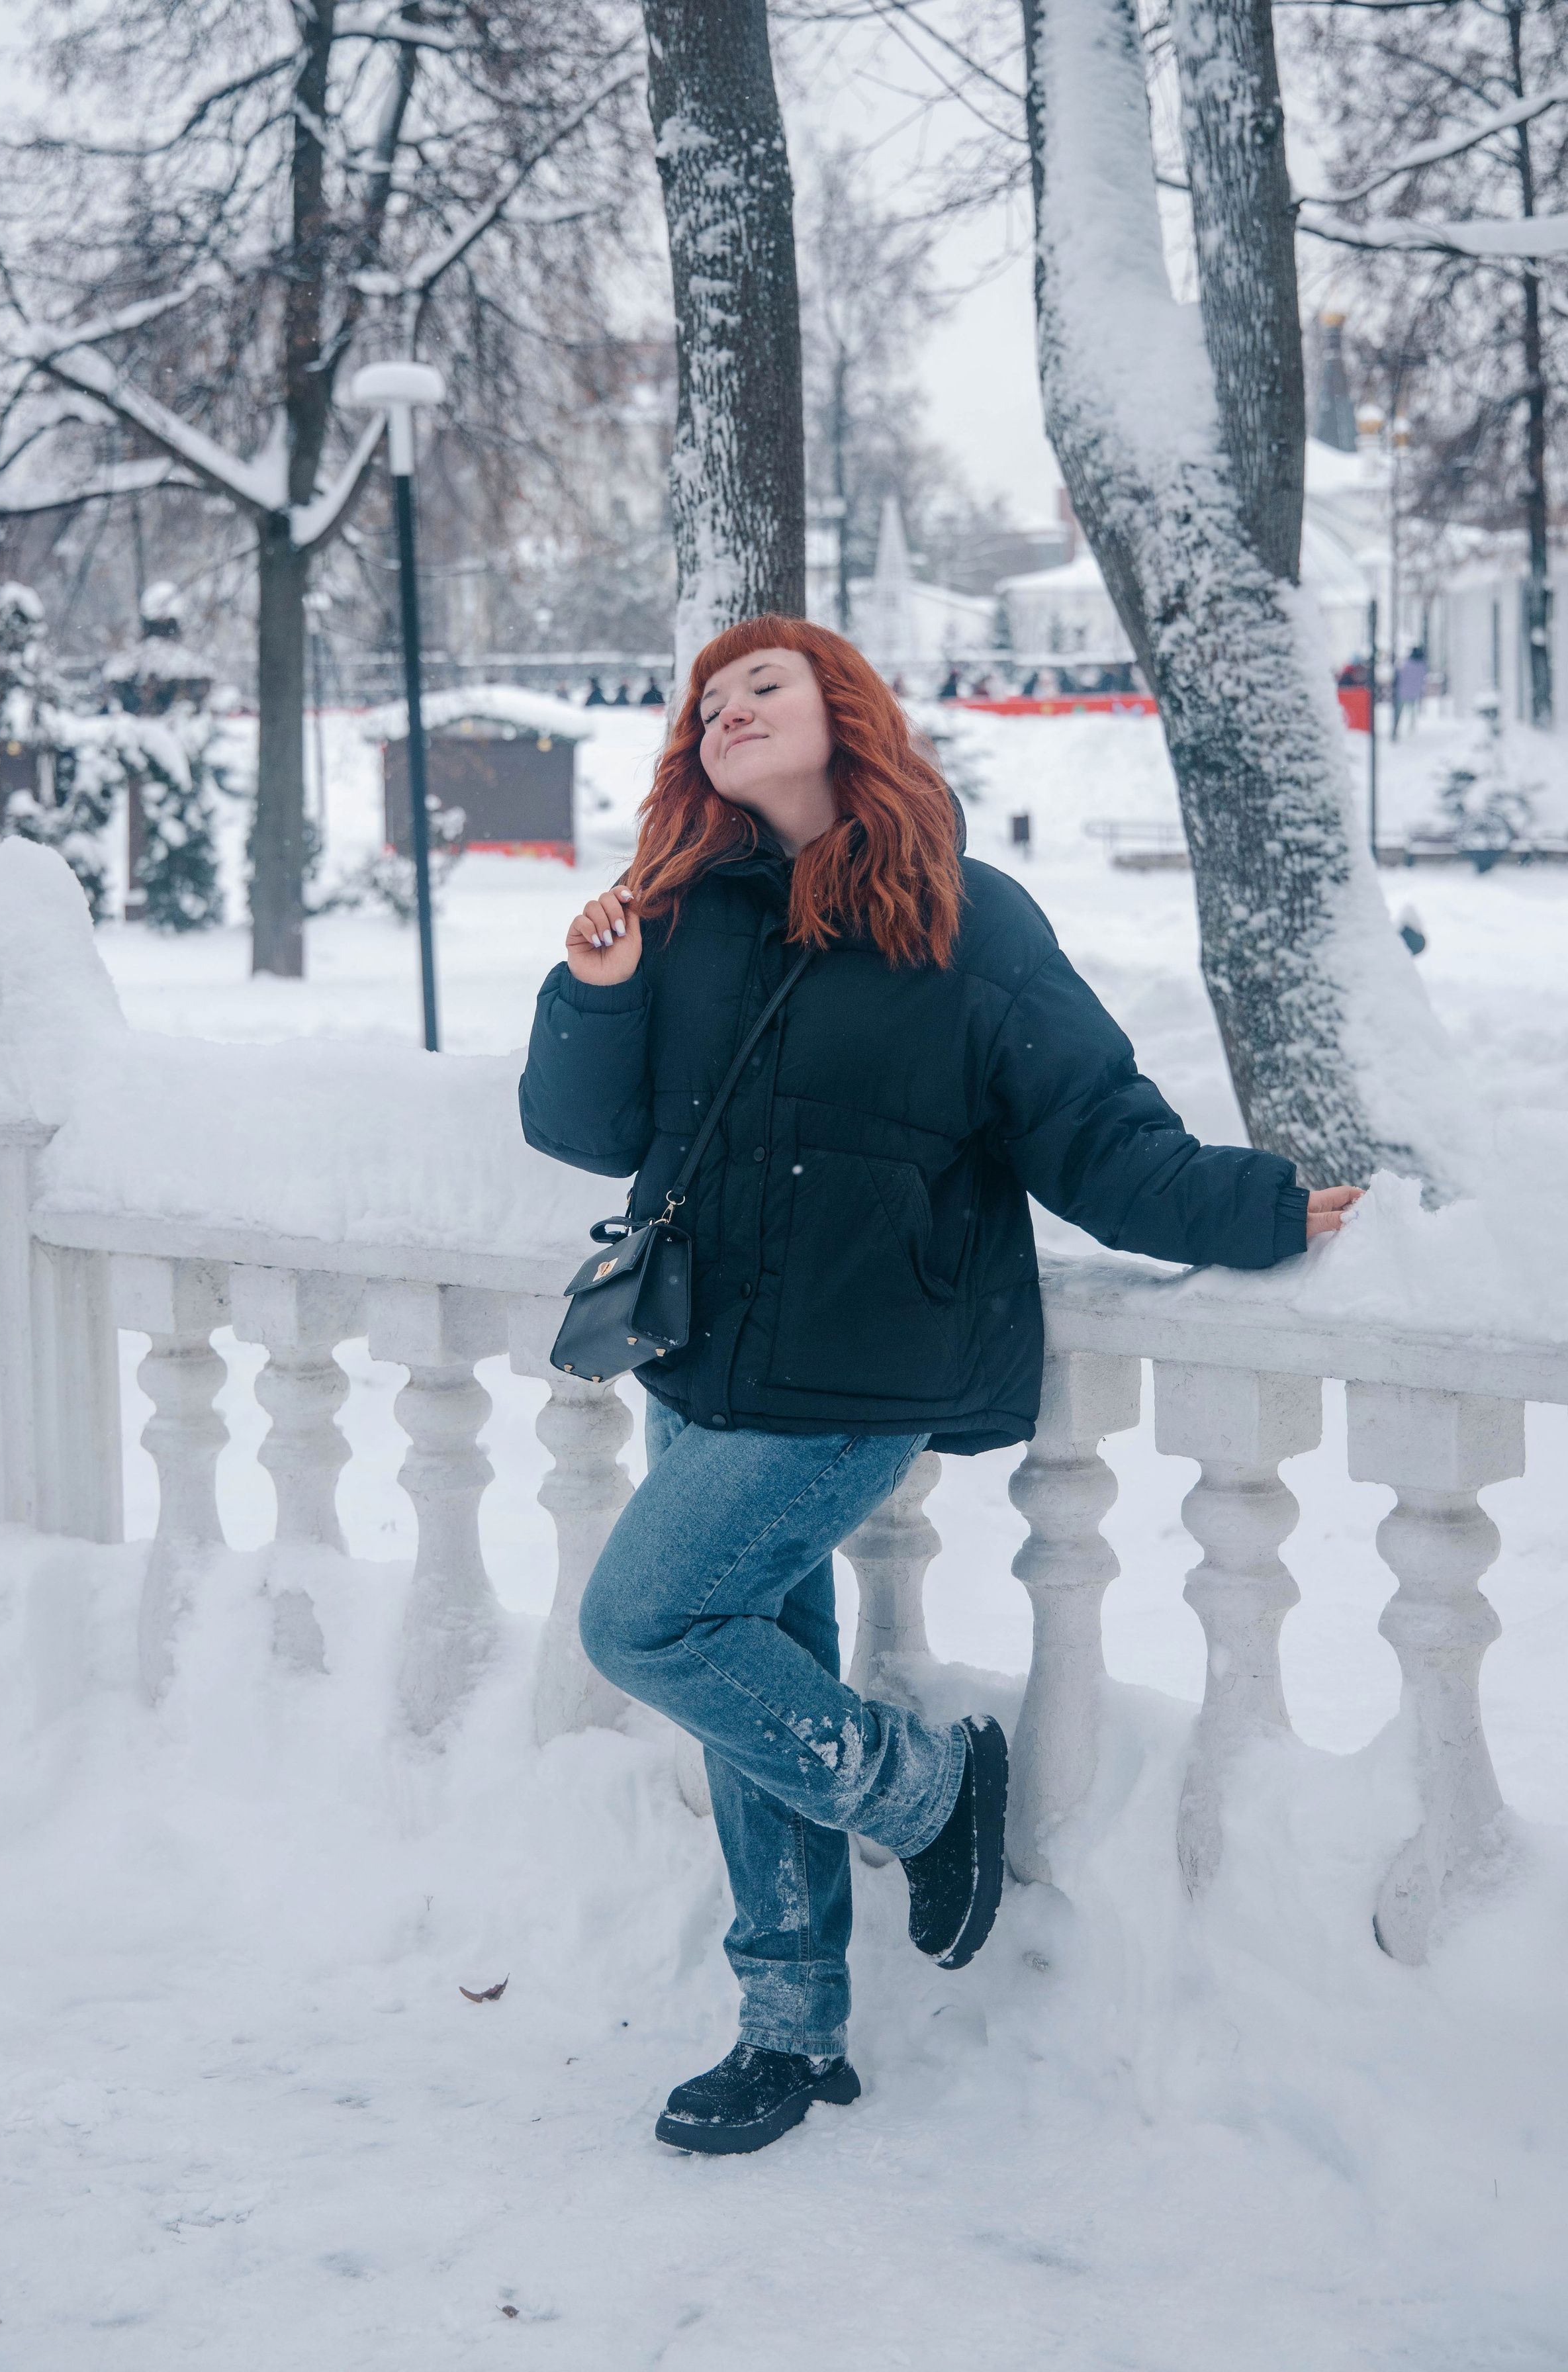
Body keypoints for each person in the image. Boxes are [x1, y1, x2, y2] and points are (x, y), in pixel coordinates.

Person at [518, 616, 1361, 2159]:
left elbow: (1092, 1131)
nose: (724, 711)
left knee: (642, 1624)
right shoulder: (680, 909)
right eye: (704, 702)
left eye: (757, 686)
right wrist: (595, 990)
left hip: (855, 1371)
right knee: (745, 1690)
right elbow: (581, 1134)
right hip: (695, 1351)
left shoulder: (965, 917)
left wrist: (1249, 1207)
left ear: (842, 711)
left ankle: (918, 1792)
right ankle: (786, 2026)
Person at [1393, 645, 1428, 739]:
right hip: (1414, 693)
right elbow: (1422, 680)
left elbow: (1397, 675)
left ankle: (1395, 729)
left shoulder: (1405, 665)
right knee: (1412, 712)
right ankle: (1411, 729)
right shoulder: (1422, 666)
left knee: (1398, 713)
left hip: (1401, 692)